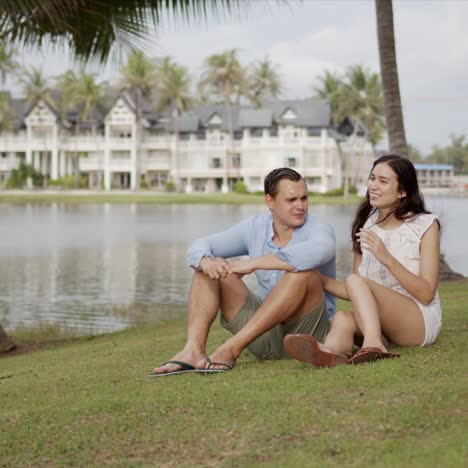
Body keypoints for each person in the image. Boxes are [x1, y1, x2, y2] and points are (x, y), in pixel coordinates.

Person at [150, 167, 336, 376]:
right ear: (270, 202)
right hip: (264, 334)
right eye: (291, 200)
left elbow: (321, 250)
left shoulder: (318, 228)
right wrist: (206, 261)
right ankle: (193, 350)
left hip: (309, 334)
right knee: (208, 266)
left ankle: (231, 348)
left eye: (304, 198)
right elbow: (201, 244)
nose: (300, 206)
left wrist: (253, 263)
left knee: (303, 274)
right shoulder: (255, 227)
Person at [284, 155, 442, 366]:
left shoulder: (425, 225)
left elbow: (426, 293)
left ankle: (374, 343)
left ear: (402, 191)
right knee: (342, 318)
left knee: (355, 280)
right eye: (372, 178)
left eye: (383, 181)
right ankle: (329, 353)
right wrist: (315, 278)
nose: (373, 186)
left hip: (419, 321)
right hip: (382, 322)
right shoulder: (366, 226)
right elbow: (356, 291)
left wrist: (385, 257)